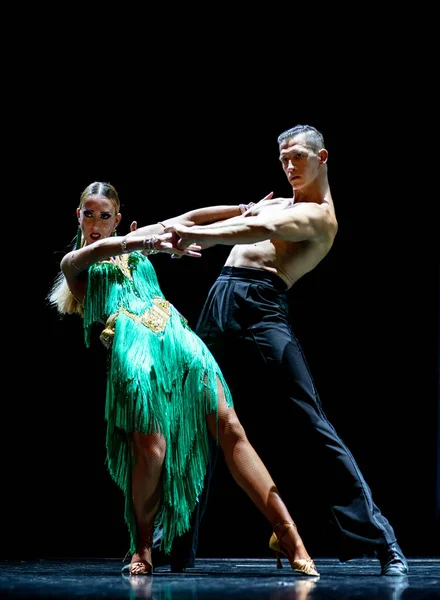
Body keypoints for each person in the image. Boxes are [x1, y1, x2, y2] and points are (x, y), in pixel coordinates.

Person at [165, 124, 409, 577]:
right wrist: (171, 228)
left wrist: (205, 236)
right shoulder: (280, 199)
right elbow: (223, 214)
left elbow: (257, 225)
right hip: (220, 301)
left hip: (261, 307)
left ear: (323, 157)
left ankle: (382, 541)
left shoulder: (320, 216)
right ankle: (176, 546)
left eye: (297, 155)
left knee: (308, 421)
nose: (289, 165)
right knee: (195, 419)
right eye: (283, 158)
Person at [47, 181, 320, 577]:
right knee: (152, 450)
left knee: (230, 426)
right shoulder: (77, 262)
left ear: (117, 218)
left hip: (177, 337)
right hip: (132, 352)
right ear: (78, 215)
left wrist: (243, 209)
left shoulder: (139, 238)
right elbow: (97, 252)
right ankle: (142, 545)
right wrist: (149, 243)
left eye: (105, 216)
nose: (96, 222)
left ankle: (287, 533)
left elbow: (190, 219)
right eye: (89, 214)